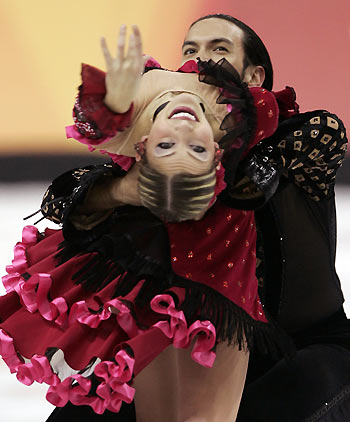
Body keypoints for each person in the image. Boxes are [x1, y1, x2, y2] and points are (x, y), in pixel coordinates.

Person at [42, 14, 349, 422]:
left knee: (283, 401)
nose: (198, 61)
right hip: (193, 352)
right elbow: (64, 201)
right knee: (78, 414)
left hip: (303, 347)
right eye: (189, 51)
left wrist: (202, 159)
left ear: (254, 76)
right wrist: (128, 186)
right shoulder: (157, 151)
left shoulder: (299, 135)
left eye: (218, 49)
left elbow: (298, 154)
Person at [0, 25, 285, 422]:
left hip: (216, 294)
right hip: (170, 288)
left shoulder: (152, 112)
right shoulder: (225, 115)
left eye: (218, 49)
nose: (184, 131)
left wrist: (111, 100)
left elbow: (92, 125)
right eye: (191, 48)